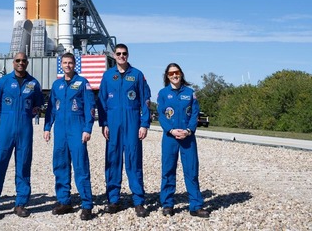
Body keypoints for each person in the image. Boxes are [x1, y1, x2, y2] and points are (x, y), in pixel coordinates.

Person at [0, 52, 44, 220]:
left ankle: (20, 203)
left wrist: (27, 116)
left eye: (23, 60)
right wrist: (6, 117)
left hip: (25, 129)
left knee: (23, 165)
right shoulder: (4, 81)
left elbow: (38, 104)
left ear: (27, 63)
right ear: (13, 62)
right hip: (6, 128)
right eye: (18, 60)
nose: (20, 63)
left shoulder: (33, 83)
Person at [97, 43, 152, 217]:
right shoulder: (108, 75)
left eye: (124, 53)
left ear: (128, 55)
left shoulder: (137, 75)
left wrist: (144, 124)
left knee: (134, 160)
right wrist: (104, 123)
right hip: (113, 123)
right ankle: (113, 200)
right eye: (119, 53)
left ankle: (138, 201)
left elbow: (145, 101)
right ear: (114, 55)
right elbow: (102, 101)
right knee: (112, 161)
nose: (122, 56)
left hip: (132, 122)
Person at [43, 53, 96, 221]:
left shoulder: (82, 83)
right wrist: (47, 127)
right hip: (60, 130)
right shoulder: (57, 84)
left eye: (70, 63)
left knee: (81, 166)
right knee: (60, 165)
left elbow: (90, 107)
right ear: (61, 65)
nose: (67, 65)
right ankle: (64, 201)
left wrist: (87, 128)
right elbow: (51, 108)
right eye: (65, 63)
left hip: (76, 128)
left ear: (75, 64)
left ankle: (87, 204)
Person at [156, 63, 210, 218]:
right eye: (171, 73)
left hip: (188, 138)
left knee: (191, 171)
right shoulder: (163, 93)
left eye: (177, 72)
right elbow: (161, 115)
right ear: (167, 76)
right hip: (170, 137)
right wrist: (171, 130)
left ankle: (196, 206)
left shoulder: (190, 93)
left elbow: (194, 114)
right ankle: (167, 204)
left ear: (181, 74)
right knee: (168, 171)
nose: (174, 75)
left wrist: (188, 131)